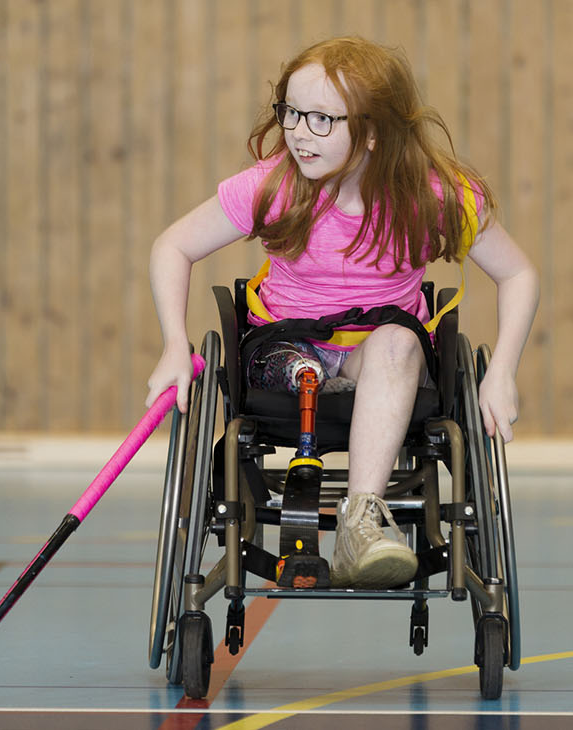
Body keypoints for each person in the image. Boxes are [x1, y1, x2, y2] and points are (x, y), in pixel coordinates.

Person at [143, 37, 539, 589]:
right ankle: (318, 392)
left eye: (323, 119)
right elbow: (173, 246)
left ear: (374, 131)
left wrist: (502, 373)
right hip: (285, 350)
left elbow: (518, 273)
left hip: (379, 357)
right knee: (302, 369)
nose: (300, 132)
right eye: (292, 113)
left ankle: (362, 522)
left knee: (398, 343)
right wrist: (172, 346)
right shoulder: (275, 185)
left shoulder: (433, 197)